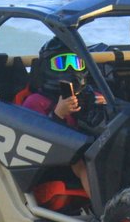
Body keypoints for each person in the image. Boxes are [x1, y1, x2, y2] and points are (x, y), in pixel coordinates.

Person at [20, 37, 103, 204]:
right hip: (53, 164)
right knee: (81, 163)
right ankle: (104, 213)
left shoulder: (88, 96)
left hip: (90, 154)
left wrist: (102, 107)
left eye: (76, 62)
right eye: (61, 63)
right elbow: (33, 141)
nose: (70, 68)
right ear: (46, 67)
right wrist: (58, 114)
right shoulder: (36, 101)